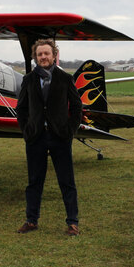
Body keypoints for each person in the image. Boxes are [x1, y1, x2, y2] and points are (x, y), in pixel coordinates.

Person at [15, 39, 83, 236]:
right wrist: (26, 131)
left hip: (60, 137)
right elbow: (21, 109)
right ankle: (31, 220)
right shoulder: (28, 80)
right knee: (34, 181)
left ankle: (72, 222)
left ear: (54, 55)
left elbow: (77, 106)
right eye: (39, 54)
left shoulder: (65, 78)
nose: (43, 57)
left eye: (46, 53)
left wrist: (70, 130)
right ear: (35, 57)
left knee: (66, 181)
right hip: (35, 137)